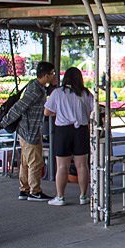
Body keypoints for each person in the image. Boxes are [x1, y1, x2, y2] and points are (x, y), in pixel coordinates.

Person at [3, 60, 56, 201]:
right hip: (29, 131)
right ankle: (35, 191)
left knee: (26, 162)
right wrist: (3, 123)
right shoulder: (36, 90)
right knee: (36, 162)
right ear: (46, 75)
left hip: (27, 130)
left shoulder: (36, 86)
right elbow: (20, 106)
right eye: (52, 74)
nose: (53, 76)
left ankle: (24, 189)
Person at [43, 67, 95, 206]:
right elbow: (93, 112)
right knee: (82, 166)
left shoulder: (58, 93)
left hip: (63, 131)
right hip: (81, 131)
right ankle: (83, 196)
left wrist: (60, 112)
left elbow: (47, 112)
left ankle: (60, 197)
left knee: (62, 167)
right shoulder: (86, 93)